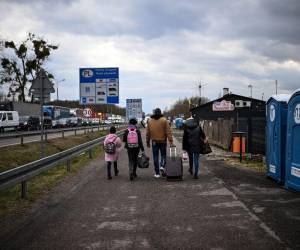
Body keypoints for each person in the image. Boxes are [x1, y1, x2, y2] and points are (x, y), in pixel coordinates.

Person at [146, 108, 174, 178]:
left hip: (154, 141)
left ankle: (157, 173)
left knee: (155, 156)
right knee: (163, 155)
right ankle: (162, 165)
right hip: (163, 141)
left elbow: (148, 133)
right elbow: (168, 131)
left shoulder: (149, 121)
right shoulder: (164, 120)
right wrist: (171, 141)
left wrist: (147, 142)